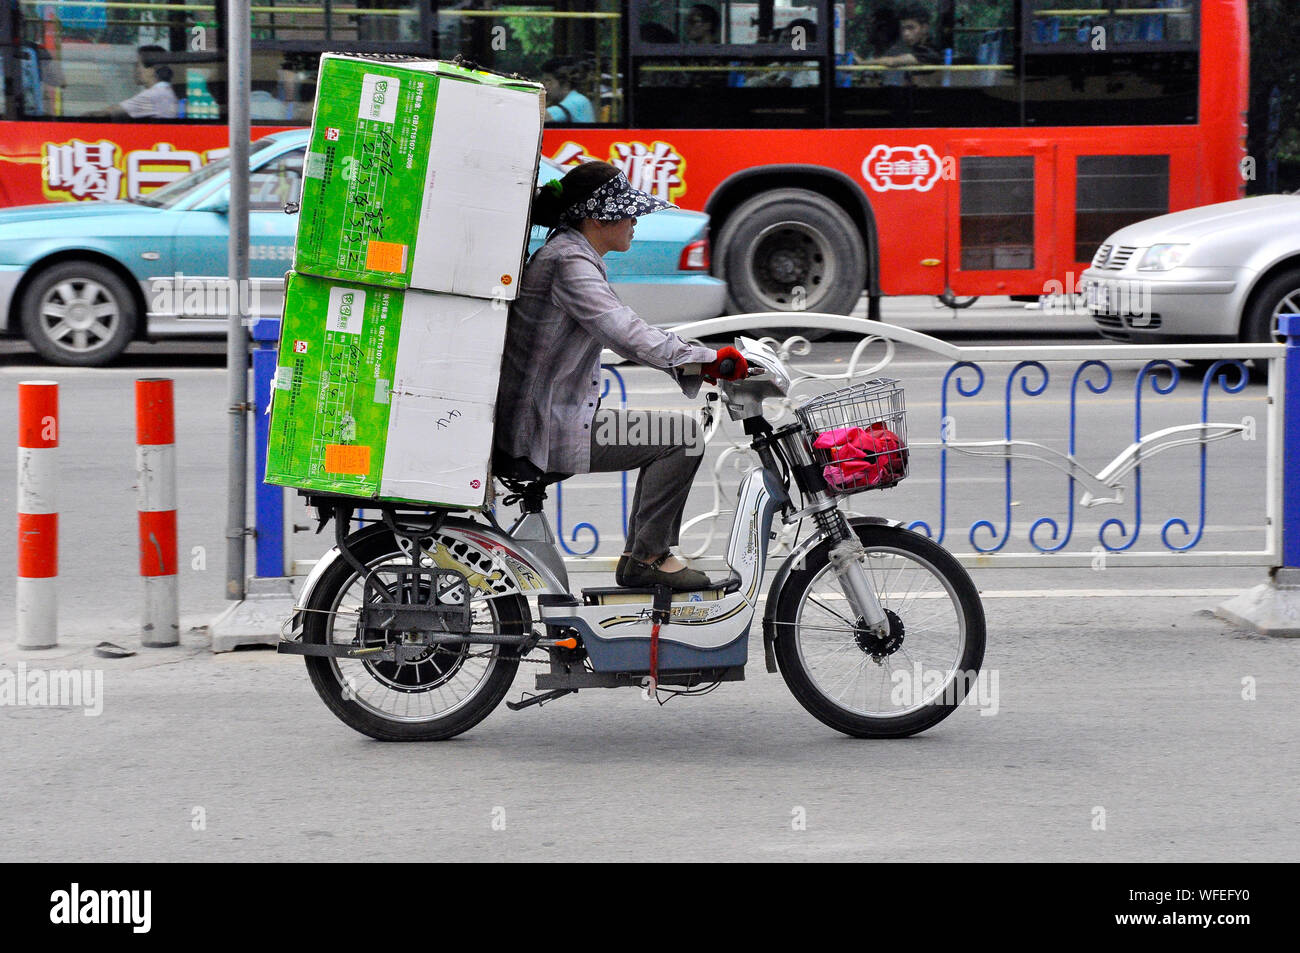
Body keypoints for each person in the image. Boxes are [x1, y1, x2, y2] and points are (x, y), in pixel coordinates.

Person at [494, 162, 748, 590]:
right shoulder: (569, 261)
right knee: (681, 437)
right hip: (543, 427)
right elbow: (626, 332)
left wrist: (694, 363)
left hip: (549, 415)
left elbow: (630, 331)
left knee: (674, 432)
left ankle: (644, 556)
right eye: (628, 212)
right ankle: (647, 558)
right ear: (596, 218)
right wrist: (707, 360)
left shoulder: (569, 253)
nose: (635, 221)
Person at [93, 46, 178, 119]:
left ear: (151, 70)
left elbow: (107, 113)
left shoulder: (153, 95)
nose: (135, 70)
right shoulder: (165, 91)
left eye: (138, 65)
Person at [541, 58, 595, 123]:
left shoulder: (576, 101)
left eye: (549, 81)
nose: (545, 86)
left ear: (566, 84)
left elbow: (538, 118)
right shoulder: (573, 99)